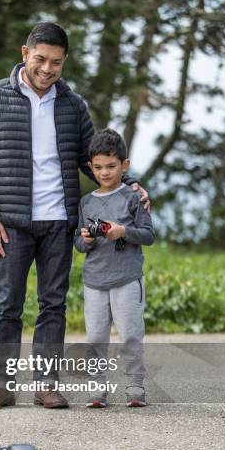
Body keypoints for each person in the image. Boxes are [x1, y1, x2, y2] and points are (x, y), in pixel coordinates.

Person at [0, 22, 150, 410]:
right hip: (11, 224)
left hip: (58, 224)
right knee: (8, 305)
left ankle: (46, 384)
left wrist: (130, 184)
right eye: (40, 60)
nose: (47, 69)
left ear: (65, 62)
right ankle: (1, 385)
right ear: (24, 54)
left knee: (53, 306)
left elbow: (93, 160)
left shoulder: (72, 105)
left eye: (56, 62)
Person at [74, 128, 155, 408]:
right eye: (98, 167)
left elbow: (148, 235)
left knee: (131, 334)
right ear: (90, 167)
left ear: (125, 165)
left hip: (127, 279)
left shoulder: (134, 198)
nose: (105, 173)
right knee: (96, 337)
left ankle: (135, 385)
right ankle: (97, 389)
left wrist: (123, 231)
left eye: (111, 166)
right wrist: (84, 240)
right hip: (94, 281)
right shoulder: (86, 202)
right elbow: (78, 242)